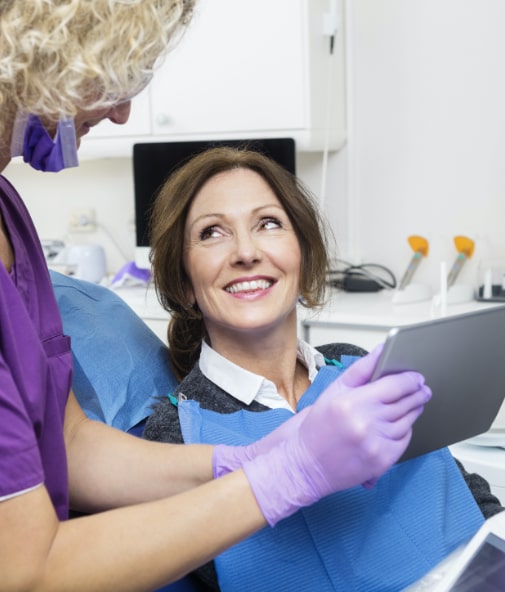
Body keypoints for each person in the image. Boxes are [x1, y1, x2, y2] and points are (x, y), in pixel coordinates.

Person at [0, 2, 435, 591]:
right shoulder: (180, 422)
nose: (126, 112)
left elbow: (69, 441)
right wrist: (286, 472)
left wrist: (257, 455)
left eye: (269, 224)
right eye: (116, 74)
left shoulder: (9, 214)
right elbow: (25, 572)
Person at [144, 146, 504, 592]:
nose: (246, 251)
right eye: (212, 233)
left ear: (304, 254)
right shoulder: (172, 435)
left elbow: (462, 490)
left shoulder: (361, 363)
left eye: (268, 223)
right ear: (183, 282)